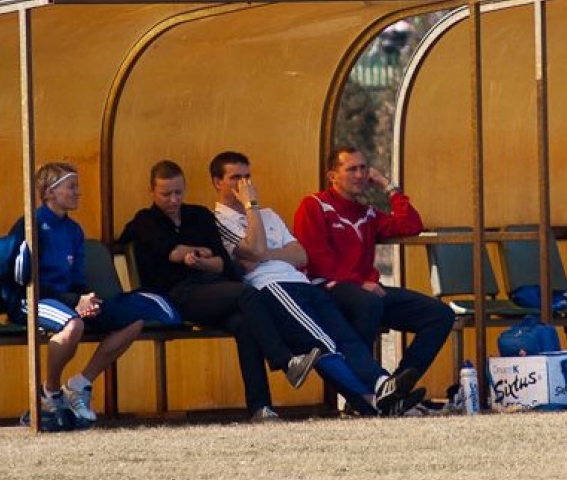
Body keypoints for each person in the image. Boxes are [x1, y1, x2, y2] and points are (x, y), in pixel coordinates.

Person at [118, 160, 375, 420]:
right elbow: (173, 253)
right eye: (166, 194)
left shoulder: (199, 215)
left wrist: (203, 258)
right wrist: (195, 255)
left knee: (244, 324)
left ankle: (260, 407)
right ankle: (285, 362)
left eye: (178, 192)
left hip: (214, 289)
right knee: (247, 293)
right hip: (179, 294)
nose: (173, 200)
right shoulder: (146, 221)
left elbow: (220, 262)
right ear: (152, 191)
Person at [210, 151, 425, 416]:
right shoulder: (219, 221)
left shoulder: (268, 214)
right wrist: (250, 205)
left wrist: (264, 252)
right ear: (218, 183)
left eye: (247, 176)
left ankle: (382, 386)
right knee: (323, 342)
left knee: (344, 336)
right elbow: (252, 252)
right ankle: (373, 400)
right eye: (235, 178)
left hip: (300, 280)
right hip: (272, 287)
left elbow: (299, 254)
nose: (244, 184)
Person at [292, 146, 453, 399]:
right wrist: (359, 283)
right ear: (332, 176)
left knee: (440, 314)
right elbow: (317, 260)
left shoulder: (366, 213)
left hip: (365, 291)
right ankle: (365, 391)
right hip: (326, 289)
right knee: (368, 304)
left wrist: (387, 186)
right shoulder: (314, 205)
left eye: (363, 168)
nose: (359, 175)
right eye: (351, 169)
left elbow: (411, 224)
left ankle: (396, 388)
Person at [19, 162, 144, 425]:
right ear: (50, 192)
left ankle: (80, 384)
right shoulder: (32, 225)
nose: (78, 192)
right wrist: (75, 302)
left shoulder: (74, 230)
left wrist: (86, 300)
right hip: (33, 299)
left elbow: (76, 279)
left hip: (66, 300)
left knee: (134, 320)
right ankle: (50, 391)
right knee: (73, 325)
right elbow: (32, 282)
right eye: (71, 187)